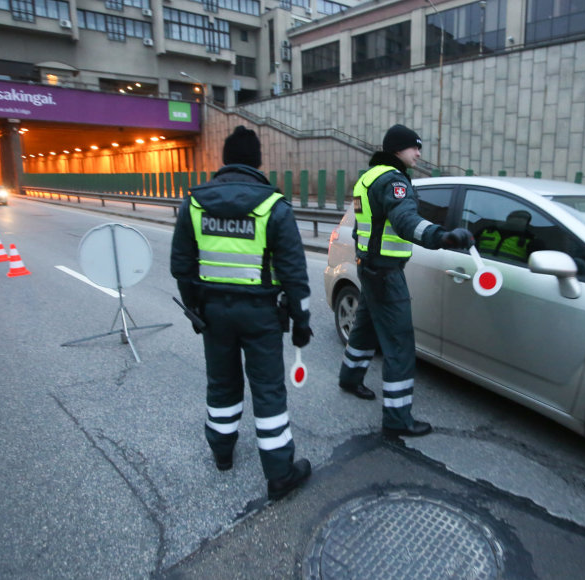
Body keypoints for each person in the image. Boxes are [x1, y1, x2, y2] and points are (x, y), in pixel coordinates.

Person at [170, 125, 312, 501]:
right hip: (262, 314)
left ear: (224, 160)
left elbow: (181, 266)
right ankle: (280, 474)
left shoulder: (195, 203)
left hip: (215, 312)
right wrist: (302, 322)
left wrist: (195, 308)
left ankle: (222, 453)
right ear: (258, 162)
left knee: (222, 382)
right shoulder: (273, 206)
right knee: (268, 391)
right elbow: (295, 275)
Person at [338, 124, 474, 437]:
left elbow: (365, 226)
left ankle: (350, 378)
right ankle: (398, 418)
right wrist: (443, 237)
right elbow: (404, 221)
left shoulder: (367, 178)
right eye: (415, 147)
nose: (419, 153)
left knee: (365, 324)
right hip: (386, 273)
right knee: (400, 344)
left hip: (368, 266)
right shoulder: (395, 180)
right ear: (399, 149)